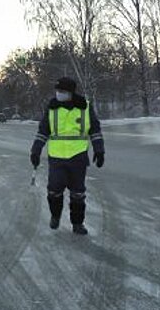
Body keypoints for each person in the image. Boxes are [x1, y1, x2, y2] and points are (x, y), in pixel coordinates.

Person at [30, 77, 105, 235]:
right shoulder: (52, 108)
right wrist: (35, 150)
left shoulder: (85, 107)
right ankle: (55, 215)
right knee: (54, 191)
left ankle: (77, 224)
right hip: (57, 158)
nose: (59, 94)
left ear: (71, 92)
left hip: (78, 157)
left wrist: (99, 150)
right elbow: (43, 131)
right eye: (57, 91)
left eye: (62, 91)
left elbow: (95, 130)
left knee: (78, 194)